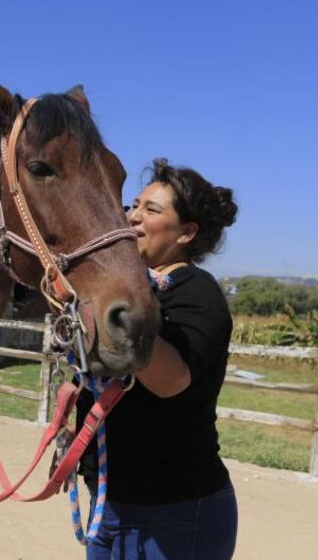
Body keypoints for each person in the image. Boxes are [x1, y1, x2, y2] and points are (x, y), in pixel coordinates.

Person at [76, 158, 239, 559]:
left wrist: (113, 306)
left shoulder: (197, 293)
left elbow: (171, 380)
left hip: (174, 511)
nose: (132, 217)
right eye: (133, 205)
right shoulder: (132, 289)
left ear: (187, 232)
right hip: (109, 501)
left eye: (150, 210)